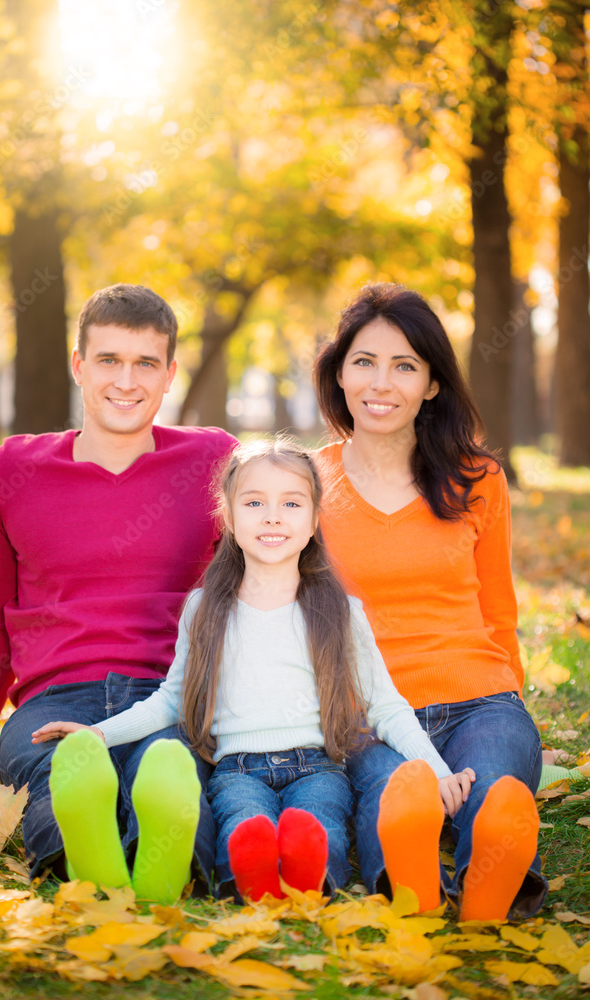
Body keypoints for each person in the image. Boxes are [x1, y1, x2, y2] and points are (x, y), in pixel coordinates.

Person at [33, 437, 475, 904]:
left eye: (290, 502)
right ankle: (256, 878)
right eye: (254, 502)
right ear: (228, 516)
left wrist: (438, 770)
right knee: (244, 829)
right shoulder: (205, 609)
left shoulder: (340, 610)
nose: (272, 516)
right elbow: (170, 699)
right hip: (236, 770)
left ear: (314, 519)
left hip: (317, 767)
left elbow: (385, 706)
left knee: (320, 828)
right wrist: (98, 733)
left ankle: (310, 878)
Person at [0, 283, 237, 891]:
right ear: (79, 365)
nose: (127, 381)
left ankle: (154, 865)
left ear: (169, 374)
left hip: (170, 693)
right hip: (52, 702)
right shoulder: (9, 472)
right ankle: (91, 858)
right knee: (60, 780)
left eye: (145, 363)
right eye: (109, 360)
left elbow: (257, 591)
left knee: (173, 774)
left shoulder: (214, 462)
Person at [313, 282, 546, 921]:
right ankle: (410, 883)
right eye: (363, 362)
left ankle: (487, 888)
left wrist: (511, 702)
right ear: (339, 374)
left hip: (478, 699)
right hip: (367, 711)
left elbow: (499, 608)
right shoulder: (304, 484)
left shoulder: (478, 480)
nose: (380, 383)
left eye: (404, 366)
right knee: (395, 793)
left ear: (432, 384)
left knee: (495, 785)